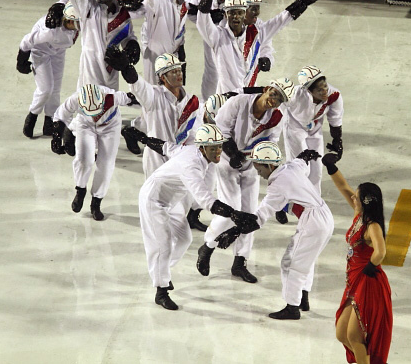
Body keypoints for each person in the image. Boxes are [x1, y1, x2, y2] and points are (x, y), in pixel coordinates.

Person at [135, 124, 259, 310]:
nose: (218, 151)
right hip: (153, 201)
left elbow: (165, 146)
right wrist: (234, 214)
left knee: (185, 239)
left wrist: (143, 139)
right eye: (213, 148)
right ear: (202, 148)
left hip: (170, 201)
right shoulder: (191, 166)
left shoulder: (191, 150)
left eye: (220, 146)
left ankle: (162, 271)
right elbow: (206, 200)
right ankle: (161, 291)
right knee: (162, 246)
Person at [215, 141, 334, 320]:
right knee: (305, 260)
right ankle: (302, 298)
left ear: (270, 165)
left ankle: (292, 307)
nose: (258, 173)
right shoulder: (289, 167)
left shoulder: (278, 185)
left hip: (313, 223)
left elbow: (258, 219)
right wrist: (308, 154)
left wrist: (233, 232)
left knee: (291, 263)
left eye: (260, 168)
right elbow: (302, 160)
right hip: (325, 216)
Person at [195, 78, 294, 283]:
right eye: (273, 94)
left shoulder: (277, 117)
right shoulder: (238, 103)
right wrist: (232, 153)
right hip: (226, 161)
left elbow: (271, 141)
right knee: (230, 208)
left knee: (249, 214)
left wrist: (260, 159)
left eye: (280, 100)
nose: (274, 101)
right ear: (267, 89)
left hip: (251, 165)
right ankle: (207, 246)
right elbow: (220, 130)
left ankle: (240, 262)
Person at [322, 153, 392, 364]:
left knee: (355, 336)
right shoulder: (359, 215)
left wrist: (371, 266)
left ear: (364, 201)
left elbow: (381, 251)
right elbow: (344, 187)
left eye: (357, 196)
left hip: (368, 282)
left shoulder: (372, 225)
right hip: (354, 280)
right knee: (342, 333)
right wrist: (331, 167)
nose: (353, 197)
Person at [195, 0, 325, 94]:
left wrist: (303, 2)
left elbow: (279, 21)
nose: (257, 12)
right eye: (254, 8)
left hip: (248, 95)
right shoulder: (219, 34)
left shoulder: (257, 31)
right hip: (226, 100)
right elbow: (203, 23)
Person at [54, 0, 142, 91]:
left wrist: (132, 45)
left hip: (111, 70)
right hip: (90, 70)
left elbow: (127, 36)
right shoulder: (88, 8)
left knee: (110, 107)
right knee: (89, 108)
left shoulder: (123, 14)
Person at [105, 50, 200, 178]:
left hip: (180, 160)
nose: (179, 74)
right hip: (156, 161)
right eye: (173, 71)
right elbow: (139, 85)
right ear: (162, 77)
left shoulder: (190, 101)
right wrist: (127, 68)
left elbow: (193, 133)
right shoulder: (154, 96)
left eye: (179, 70)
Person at [50, 84, 137, 221]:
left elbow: (137, 98)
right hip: (86, 124)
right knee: (84, 159)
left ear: (102, 100)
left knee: (106, 163)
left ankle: (96, 202)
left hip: (110, 125)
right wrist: (56, 136)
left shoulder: (113, 97)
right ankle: (80, 190)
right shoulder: (75, 99)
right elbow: (60, 116)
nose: (96, 115)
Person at [16, 2, 80, 138]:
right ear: (68, 20)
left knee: (56, 87)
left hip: (58, 51)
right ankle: (32, 117)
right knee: (46, 89)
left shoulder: (72, 26)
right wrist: (21, 60)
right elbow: (27, 40)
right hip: (40, 51)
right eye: (77, 22)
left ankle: (50, 121)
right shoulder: (51, 31)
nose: (80, 26)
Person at [283, 65, 344, 195]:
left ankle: (314, 200)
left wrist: (337, 140)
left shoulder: (334, 95)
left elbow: (335, 118)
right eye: (319, 90)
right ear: (308, 91)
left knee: (317, 168)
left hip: (315, 129)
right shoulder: (295, 94)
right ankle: (293, 199)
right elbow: (271, 93)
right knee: (300, 167)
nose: (325, 91)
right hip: (295, 128)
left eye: (325, 86)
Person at [125, 0, 188, 85]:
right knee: (155, 98)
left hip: (173, 58)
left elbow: (179, 32)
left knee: (172, 99)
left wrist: (181, 53)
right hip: (156, 59)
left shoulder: (180, 2)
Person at [184, 0, 238, 99]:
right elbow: (186, 9)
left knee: (233, 69)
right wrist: (205, 18)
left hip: (233, 39)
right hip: (212, 36)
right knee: (212, 70)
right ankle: (209, 103)